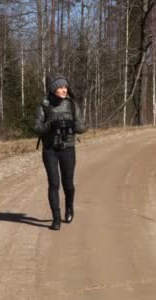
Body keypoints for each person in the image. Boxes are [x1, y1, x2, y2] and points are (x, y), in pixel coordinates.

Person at [34, 75, 87, 230]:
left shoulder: (71, 104)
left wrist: (72, 125)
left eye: (65, 87)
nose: (64, 90)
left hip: (68, 149)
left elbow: (83, 127)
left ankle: (69, 207)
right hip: (50, 150)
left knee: (68, 184)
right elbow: (36, 128)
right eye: (60, 87)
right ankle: (56, 219)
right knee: (54, 184)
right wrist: (51, 125)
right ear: (53, 89)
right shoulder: (44, 105)